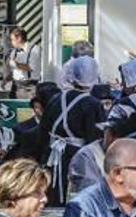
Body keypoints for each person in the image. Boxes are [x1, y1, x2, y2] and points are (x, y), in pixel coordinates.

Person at [36, 56, 104, 206]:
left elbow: (43, 131)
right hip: (77, 156)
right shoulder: (93, 104)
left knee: (52, 191)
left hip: (52, 155)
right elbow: (95, 138)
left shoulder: (56, 98)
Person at [2, 28, 41, 99]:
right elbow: (15, 71)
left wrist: (16, 64)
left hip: (29, 87)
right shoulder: (14, 51)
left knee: (26, 108)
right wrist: (6, 79)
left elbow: (31, 68)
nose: (11, 42)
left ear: (19, 38)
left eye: (12, 40)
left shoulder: (34, 49)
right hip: (16, 86)